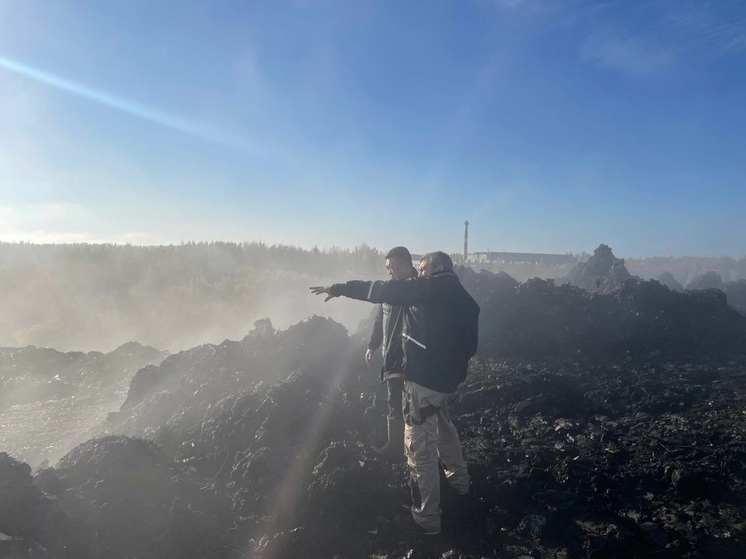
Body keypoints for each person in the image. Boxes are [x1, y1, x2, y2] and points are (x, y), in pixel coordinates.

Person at [310, 251, 479, 536]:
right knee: (445, 428)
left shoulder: (428, 287)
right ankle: (460, 482)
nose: (420, 272)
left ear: (436, 267)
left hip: (424, 383)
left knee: (418, 450)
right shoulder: (464, 298)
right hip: (447, 384)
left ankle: (426, 518)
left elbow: (380, 291)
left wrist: (339, 289)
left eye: (423, 268)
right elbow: (470, 348)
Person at [365, 246, 418, 460]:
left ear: (406, 265)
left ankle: (414, 449)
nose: (389, 272)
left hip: (413, 360)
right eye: (387, 268)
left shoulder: (421, 290)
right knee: (393, 400)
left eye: (392, 267)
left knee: (414, 405)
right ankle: (395, 446)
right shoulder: (388, 290)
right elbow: (380, 319)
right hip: (391, 356)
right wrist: (372, 345)